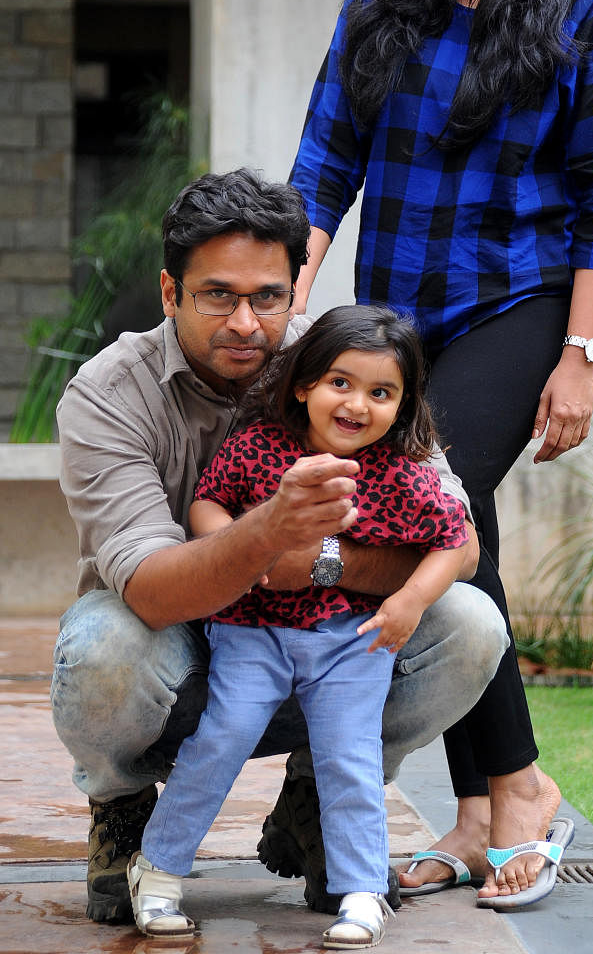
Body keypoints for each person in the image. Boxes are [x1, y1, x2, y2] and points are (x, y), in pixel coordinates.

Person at [288, 0, 593, 907]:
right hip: (398, 318)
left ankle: (520, 790)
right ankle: (483, 810)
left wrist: (576, 358)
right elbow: (321, 164)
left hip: (515, 301)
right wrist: (291, 301)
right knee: (448, 520)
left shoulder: (582, 17)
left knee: (439, 496)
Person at [52, 167, 509, 925]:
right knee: (101, 644)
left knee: (469, 623)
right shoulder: (108, 395)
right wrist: (268, 533)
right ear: (170, 293)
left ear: (296, 288)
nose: (244, 323)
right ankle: (122, 805)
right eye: (217, 296)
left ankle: (316, 800)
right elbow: (150, 590)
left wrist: (321, 561)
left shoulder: (346, 362)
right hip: (174, 649)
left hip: (328, 647)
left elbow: (456, 536)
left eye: (267, 297)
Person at [126, 304, 475, 947]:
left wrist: (412, 601)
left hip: (351, 638)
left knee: (350, 756)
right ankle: (159, 870)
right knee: (221, 738)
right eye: (340, 382)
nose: (357, 404)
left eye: (381, 392)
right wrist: (236, 548)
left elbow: (453, 542)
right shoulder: (260, 448)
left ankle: (363, 890)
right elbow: (208, 500)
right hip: (252, 630)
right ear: (303, 384)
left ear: (404, 404)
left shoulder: (405, 475)